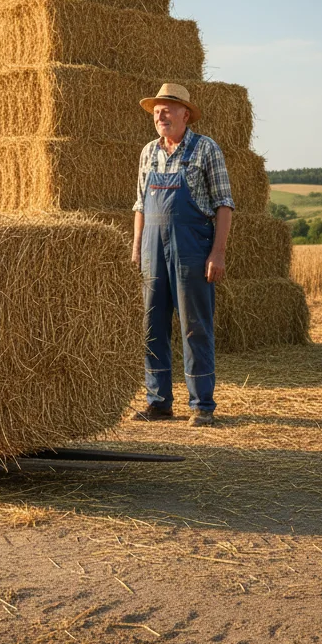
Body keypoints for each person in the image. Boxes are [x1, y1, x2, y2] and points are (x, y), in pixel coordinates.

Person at [131, 83, 234, 427]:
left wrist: (217, 253)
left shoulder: (205, 149)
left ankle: (202, 405)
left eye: (168, 109)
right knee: (151, 325)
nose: (160, 115)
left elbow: (224, 205)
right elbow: (140, 206)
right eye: (156, 110)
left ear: (185, 114)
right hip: (152, 250)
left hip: (192, 249)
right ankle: (158, 403)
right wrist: (136, 250)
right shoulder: (148, 152)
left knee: (194, 327)